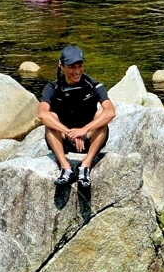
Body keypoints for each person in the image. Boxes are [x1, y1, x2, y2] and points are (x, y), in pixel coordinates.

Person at [38, 46, 116, 191]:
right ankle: (65, 167)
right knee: (51, 117)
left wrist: (84, 130)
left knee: (101, 114)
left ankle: (85, 165)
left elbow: (110, 112)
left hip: (89, 137)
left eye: (80, 66)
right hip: (65, 138)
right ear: (61, 66)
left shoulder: (93, 85)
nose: (77, 71)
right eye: (72, 67)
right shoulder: (53, 87)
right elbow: (42, 114)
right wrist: (69, 132)